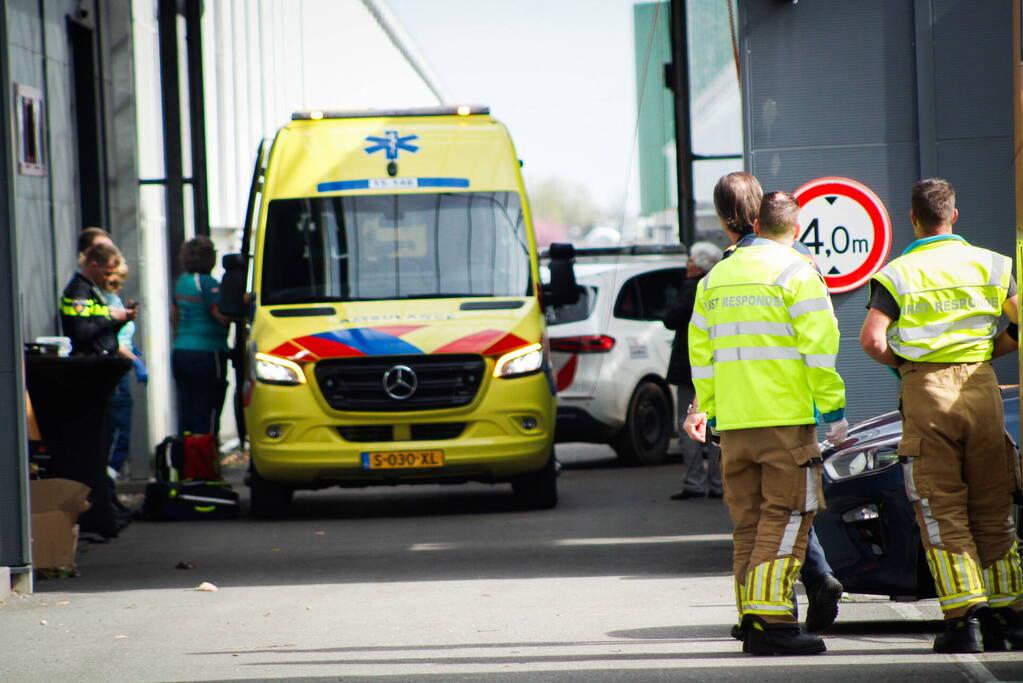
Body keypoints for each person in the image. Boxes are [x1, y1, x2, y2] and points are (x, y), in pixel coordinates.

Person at [860, 178, 1023, 653]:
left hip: (927, 392)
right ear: (955, 215)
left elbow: (872, 340)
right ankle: (1009, 616)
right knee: (993, 505)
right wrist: (992, 349)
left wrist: (907, 364)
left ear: (913, 219)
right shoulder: (993, 265)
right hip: (982, 386)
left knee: (940, 505)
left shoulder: (899, 273)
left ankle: (964, 618)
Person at [688, 191, 848, 656]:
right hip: (786, 423)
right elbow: (820, 351)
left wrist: (713, 411)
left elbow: (702, 355)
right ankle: (771, 624)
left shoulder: (715, 278)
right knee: (787, 517)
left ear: (755, 223)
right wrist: (833, 413)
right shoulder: (798, 273)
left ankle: (750, 618)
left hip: (735, 425)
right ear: (795, 230)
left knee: (749, 525)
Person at [663, 241, 724, 500]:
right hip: (718, 365)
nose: (686, 265)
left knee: (689, 423)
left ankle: (694, 482)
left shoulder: (692, 288)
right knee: (716, 424)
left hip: (688, 367)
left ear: (699, 265)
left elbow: (671, 319)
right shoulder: (719, 285)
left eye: (690, 261)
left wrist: (683, 289)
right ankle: (719, 483)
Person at [172, 235, 231, 436]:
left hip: (181, 351)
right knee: (208, 412)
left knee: (186, 411)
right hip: (207, 353)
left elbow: (175, 317)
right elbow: (221, 317)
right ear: (209, 258)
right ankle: (205, 462)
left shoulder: (181, 282)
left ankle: (185, 462)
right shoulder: (207, 283)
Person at [104, 261, 147, 479]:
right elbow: (112, 341)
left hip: (121, 369)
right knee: (120, 434)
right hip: (116, 373)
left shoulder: (115, 300)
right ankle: (107, 484)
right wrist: (135, 361)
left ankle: (108, 487)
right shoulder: (108, 302)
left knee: (120, 434)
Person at [61, 242, 136, 356]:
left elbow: (102, 330)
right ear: (93, 266)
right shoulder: (79, 292)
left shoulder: (92, 289)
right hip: (89, 362)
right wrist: (110, 316)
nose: (109, 279)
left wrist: (121, 319)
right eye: (107, 273)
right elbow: (81, 333)